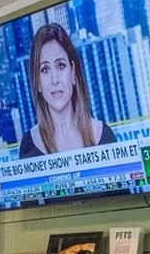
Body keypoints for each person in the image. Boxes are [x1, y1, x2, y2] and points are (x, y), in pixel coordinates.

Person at [18, 23, 116, 158]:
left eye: (61, 66)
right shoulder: (29, 145)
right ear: (37, 82)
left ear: (73, 72)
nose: (54, 79)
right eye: (45, 70)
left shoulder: (103, 135)